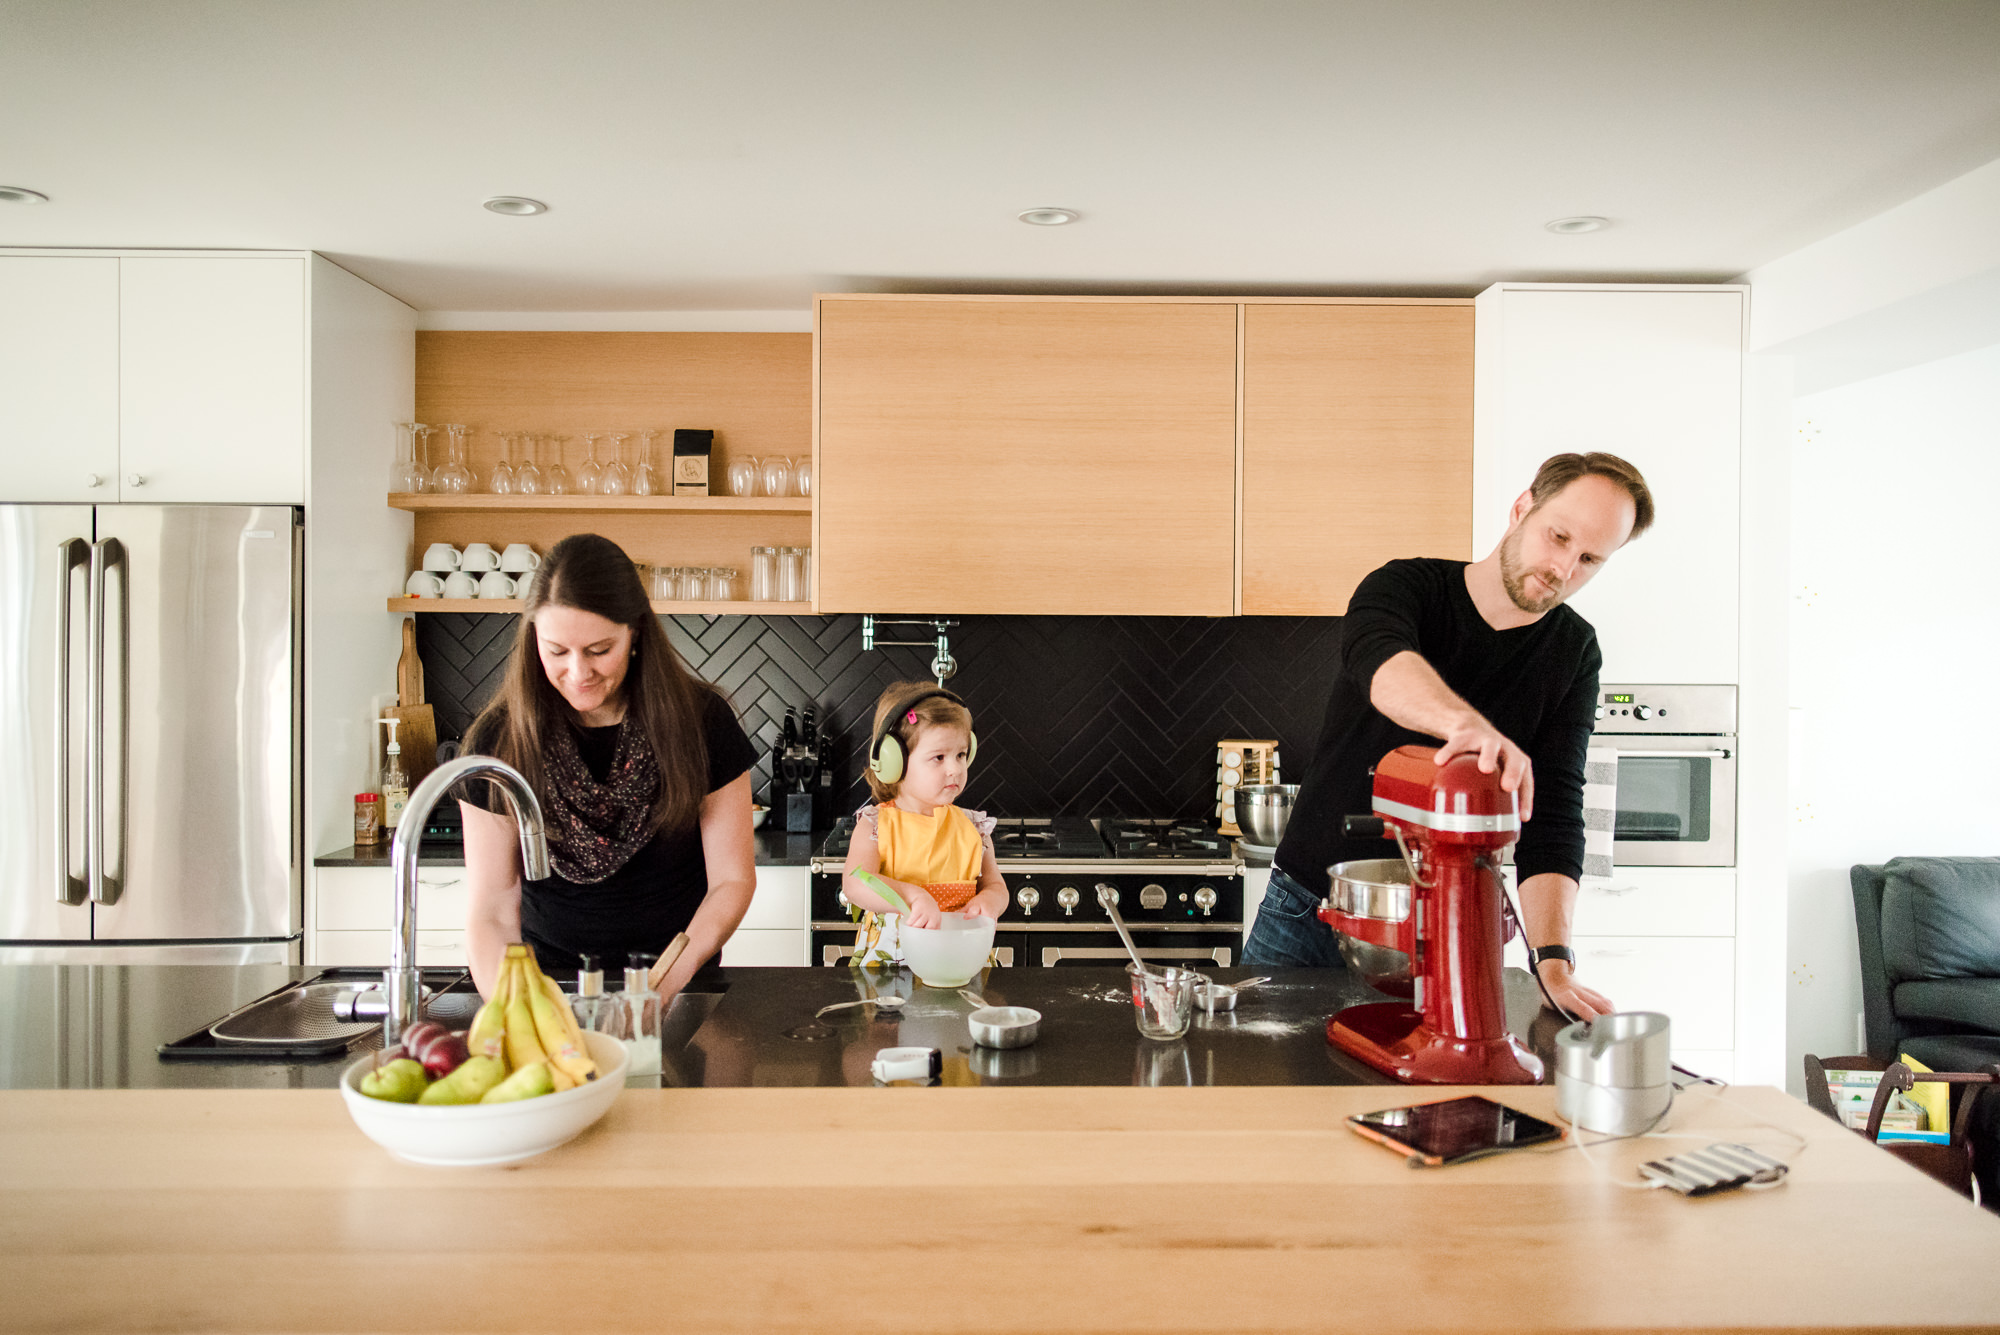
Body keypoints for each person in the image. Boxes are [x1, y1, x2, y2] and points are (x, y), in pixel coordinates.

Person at [1244, 452, 1656, 1021]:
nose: (1563, 569)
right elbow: (1383, 667)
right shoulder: (1406, 585)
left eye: (1589, 559)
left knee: (1425, 1102)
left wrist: (1553, 960)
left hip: (1448, 932)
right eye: (1557, 537)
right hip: (1309, 910)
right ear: (1521, 508)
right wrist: (1468, 728)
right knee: (1264, 1093)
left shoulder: (1574, 651)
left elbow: (1554, 815)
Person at [459, 533, 759, 1000]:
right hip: (549, 987)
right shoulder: (499, 740)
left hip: (679, 985)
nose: (578, 673)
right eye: (557, 651)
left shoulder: (701, 722)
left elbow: (731, 881)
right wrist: (517, 1011)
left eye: (599, 650)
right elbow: (493, 908)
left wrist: (661, 988)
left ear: (635, 632)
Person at [840, 683, 1007, 965]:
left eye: (961, 755)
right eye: (938, 757)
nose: (954, 769)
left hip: (960, 961)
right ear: (895, 761)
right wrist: (912, 896)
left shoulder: (973, 827)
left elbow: (995, 885)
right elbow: (855, 882)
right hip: (892, 969)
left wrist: (991, 900)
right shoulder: (876, 824)